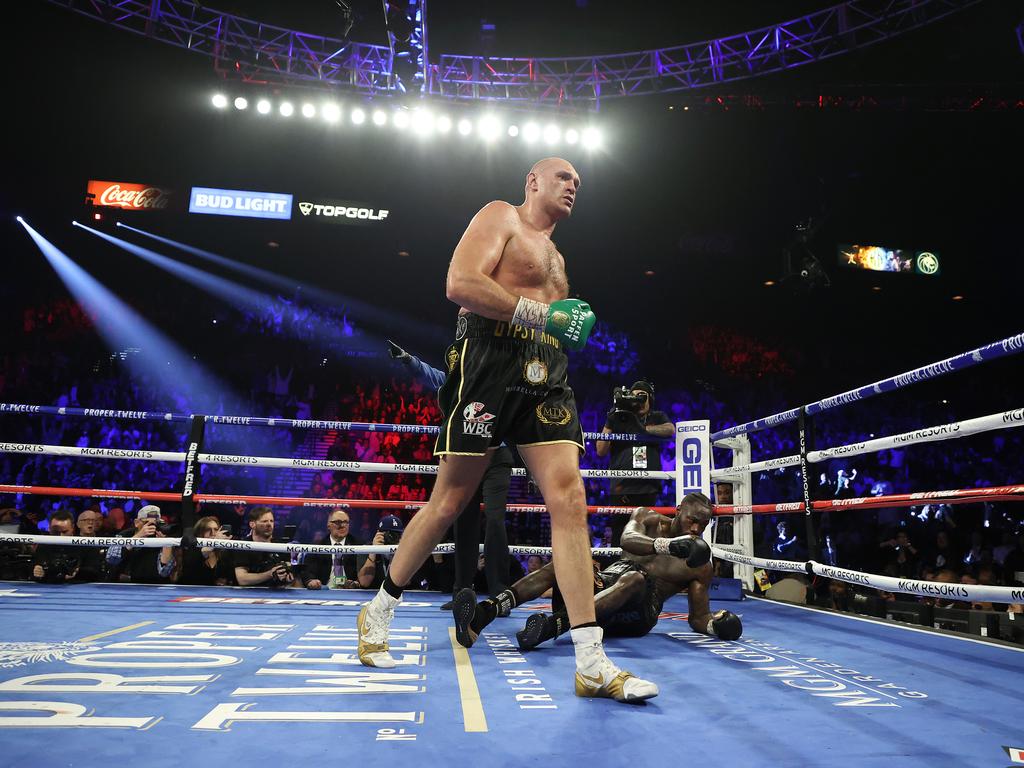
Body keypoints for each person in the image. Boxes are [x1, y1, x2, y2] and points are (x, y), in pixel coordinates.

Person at [356, 157, 657, 702]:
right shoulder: (501, 216)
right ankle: (379, 608)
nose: (573, 187)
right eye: (563, 177)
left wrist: (561, 324)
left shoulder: (559, 257)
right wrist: (545, 316)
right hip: (487, 361)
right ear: (533, 182)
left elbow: (551, 318)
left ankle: (590, 661)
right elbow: (459, 283)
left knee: (570, 498)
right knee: (449, 500)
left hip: (546, 371)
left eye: (579, 183)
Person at [452, 493, 741, 653]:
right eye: (692, 521)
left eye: (702, 525)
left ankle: (553, 627)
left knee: (635, 578)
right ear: (678, 511)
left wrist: (717, 626)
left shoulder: (700, 562)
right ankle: (484, 613)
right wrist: (667, 546)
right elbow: (627, 540)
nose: (695, 530)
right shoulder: (647, 518)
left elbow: (698, 617)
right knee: (565, 565)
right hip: (607, 586)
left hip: (639, 613)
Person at [387, 338, 514, 605]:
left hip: (496, 455)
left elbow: (518, 417)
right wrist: (407, 358)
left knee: (494, 520)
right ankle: (462, 593)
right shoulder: (455, 383)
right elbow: (430, 375)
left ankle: (499, 592)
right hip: (465, 455)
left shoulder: (498, 381)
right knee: (463, 523)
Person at [594, 380, 673, 547]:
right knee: (620, 533)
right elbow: (600, 450)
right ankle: (618, 570)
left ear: (650, 399)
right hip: (622, 486)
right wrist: (610, 421)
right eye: (634, 396)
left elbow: (670, 430)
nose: (638, 400)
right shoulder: (619, 417)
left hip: (648, 486)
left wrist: (644, 430)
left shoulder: (656, 416)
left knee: (646, 532)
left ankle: (642, 570)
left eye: (642, 396)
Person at [301, 509, 364, 589]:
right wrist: (311, 581)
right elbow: (308, 571)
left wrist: (356, 583)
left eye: (346, 522)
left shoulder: (358, 546)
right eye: (338, 522)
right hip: (324, 590)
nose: (343, 525)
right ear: (328, 525)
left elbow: (365, 573)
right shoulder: (318, 546)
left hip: (350, 591)